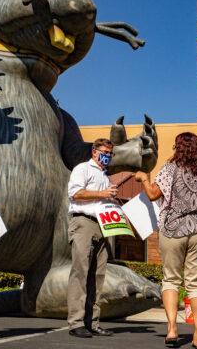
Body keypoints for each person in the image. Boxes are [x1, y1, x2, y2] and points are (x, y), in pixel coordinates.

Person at [135, 132, 197, 349]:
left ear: (180, 148)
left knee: (171, 280)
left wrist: (144, 179)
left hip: (173, 229)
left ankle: (171, 329)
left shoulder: (170, 168)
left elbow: (152, 194)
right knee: (195, 283)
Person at [66, 138, 117, 338]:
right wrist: (102, 193)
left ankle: (92, 322)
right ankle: (76, 322)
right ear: (95, 151)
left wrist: (109, 198)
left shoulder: (104, 175)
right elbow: (75, 193)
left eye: (110, 153)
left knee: (98, 275)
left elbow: (101, 197)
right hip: (84, 222)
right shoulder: (82, 169)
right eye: (105, 152)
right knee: (80, 272)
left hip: (102, 225)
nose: (108, 156)